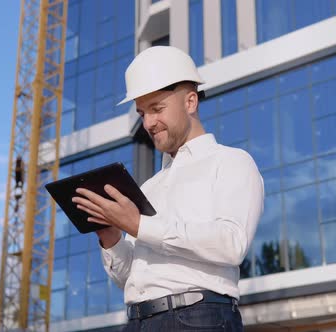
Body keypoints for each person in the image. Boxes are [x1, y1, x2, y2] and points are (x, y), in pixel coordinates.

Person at [72, 46, 264, 331]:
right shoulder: (150, 186)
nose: (148, 122)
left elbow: (231, 244)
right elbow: (133, 277)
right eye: (141, 112)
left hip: (198, 319)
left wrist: (137, 224)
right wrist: (111, 236)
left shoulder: (231, 162)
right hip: (137, 321)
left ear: (190, 102)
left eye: (157, 108)